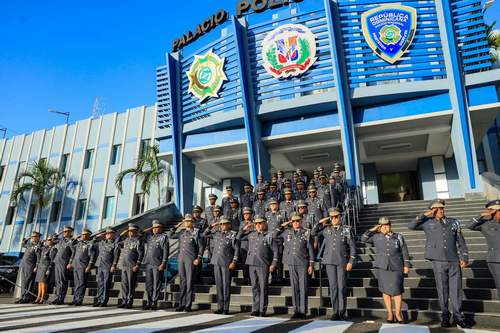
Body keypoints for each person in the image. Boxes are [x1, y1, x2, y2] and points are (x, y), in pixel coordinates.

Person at [408, 199, 469, 328]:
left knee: (456, 289)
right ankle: (445, 316)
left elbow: (461, 241)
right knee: (443, 290)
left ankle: (458, 317)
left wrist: (464, 256)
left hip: (454, 260)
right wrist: (425, 214)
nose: (440, 210)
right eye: (437, 209)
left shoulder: (453, 222)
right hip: (438, 260)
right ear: (432, 210)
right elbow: (411, 226)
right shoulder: (427, 223)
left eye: (442, 208)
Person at [363, 217, 411, 324]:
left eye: (387, 225)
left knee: (397, 290)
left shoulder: (398, 236)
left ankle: (398, 314)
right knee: (385, 291)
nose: (385, 227)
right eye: (382, 226)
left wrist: (406, 265)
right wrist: (372, 230)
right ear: (379, 227)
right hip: (382, 267)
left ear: (390, 225)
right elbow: (363, 239)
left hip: (396, 266)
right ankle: (390, 313)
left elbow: (404, 251)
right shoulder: (376, 237)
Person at [313, 208, 356, 320]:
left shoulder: (346, 230)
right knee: (333, 287)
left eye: (336, 217)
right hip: (329, 261)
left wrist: (351, 261)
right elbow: (313, 232)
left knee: (341, 286)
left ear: (340, 217)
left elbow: (352, 247)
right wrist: (322, 221)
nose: (334, 219)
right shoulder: (326, 229)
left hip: (341, 261)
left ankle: (342, 311)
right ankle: (335, 311)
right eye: (332, 217)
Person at [273, 212, 314, 319]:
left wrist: (311, 264)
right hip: (291, 262)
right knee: (294, 287)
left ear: (301, 221)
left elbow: (310, 249)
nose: (295, 223)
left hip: (303, 263)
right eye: (294, 221)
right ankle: (296, 310)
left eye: (297, 221)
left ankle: (303, 311)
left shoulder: (306, 233)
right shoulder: (287, 232)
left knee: (303, 287)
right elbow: (274, 235)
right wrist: (282, 225)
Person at [237, 215, 276, 317]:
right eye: (256, 223)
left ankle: (262, 309)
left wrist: (273, 264)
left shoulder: (269, 235)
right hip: (251, 263)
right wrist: (244, 228)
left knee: (263, 287)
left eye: (260, 223)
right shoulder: (251, 234)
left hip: (263, 263)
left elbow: (275, 251)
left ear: (264, 224)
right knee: (254, 287)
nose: (258, 225)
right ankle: (255, 308)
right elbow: (238, 238)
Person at [202, 217, 239, 315]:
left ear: (229, 225)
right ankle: (220, 307)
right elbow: (204, 234)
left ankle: (226, 308)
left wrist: (234, 261)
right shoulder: (216, 233)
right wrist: (211, 226)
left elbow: (236, 249)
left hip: (227, 262)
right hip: (216, 262)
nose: (223, 226)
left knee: (226, 285)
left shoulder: (232, 235)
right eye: (221, 224)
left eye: (225, 224)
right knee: (219, 286)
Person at [170, 214, 203, 312]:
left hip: (191, 259)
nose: (187, 223)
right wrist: (177, 226)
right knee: (182, 282)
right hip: (181, 259)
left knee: (189, 282)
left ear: (192, 222)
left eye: (189, 221)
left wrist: (198, 258)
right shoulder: (181, 232)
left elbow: (201, 247)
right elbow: (170, 235)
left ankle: (188, 304)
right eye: (185, 221)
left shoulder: (196, 232)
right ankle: (181, 303)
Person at [468, 199, 500, 299]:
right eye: (499, 211)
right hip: (496, 260)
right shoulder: (485, 224)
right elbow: (469, 225)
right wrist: (482, 215)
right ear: (493, 212)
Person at [114, 223, 144, 309]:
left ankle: (129, 302)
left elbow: (141, 254)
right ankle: (124, 301)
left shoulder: (138, 241)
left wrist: (137, 265)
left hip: (132, 266)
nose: (130, 233)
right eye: (129, 231)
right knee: (124, 284)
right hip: (124, 265)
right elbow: (117, 244)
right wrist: (120, 235)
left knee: (131, 284)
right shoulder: (126, 240)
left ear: (136, 231)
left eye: (132, 231)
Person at [141, 220, 169, 310]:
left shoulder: (163, 237)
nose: (154, 229)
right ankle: (149, 302)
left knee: (156, 284)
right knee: (148, 284)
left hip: (157, 263)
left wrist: (163, 263)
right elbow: (141, 233)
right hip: (148, 263)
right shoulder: (150, 237)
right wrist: (151, 228)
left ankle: (154, 302)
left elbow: (165, 251)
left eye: (156, 228)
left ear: (160, 228)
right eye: (153, 228)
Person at [68, 228, 96, 306]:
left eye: (84, 235)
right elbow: (71, 245)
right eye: (82, 234)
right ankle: (75, 299)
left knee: (81, 283)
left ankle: (79, 299)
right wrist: (76, 238)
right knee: (76, 283)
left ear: (88, 235)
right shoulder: (79, 243)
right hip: (76, 265)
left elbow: (92, 257)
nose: (83, 236)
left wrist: (89, 266)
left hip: (83, 266)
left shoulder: (90, 244)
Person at [92, 227, 118, 307]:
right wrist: (98, 236)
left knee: (106, 283)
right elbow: (92, 243)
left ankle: (104, 300)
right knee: (100, 283)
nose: (108, 235)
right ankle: (99, 299)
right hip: (100, 265)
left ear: (113, 234)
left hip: (108, 266)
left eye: (110, 233)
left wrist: (114, 265)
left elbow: (116, 256)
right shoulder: (101, 243)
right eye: (107, 234)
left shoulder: (114, 244)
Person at [51, 226, 74, 305]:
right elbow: (53, 239)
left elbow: (73, 252)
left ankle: (61, 298)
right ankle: (57, 297)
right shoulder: (61, 240)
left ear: (70, 232)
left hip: (64, 263)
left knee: (62, 281)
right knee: (57, 281)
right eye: (64, 232)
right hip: (57, 262)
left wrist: (70, 262)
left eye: (66, 231)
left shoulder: (71, 241)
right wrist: (59, 233)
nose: (65, 233)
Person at [17, 231, 42, 303]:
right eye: (32, 236)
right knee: (23, 282)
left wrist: (36, 267)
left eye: (35, 236)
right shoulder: (29, 244)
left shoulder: (38, 246)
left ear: (38, 238)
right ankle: (22, 296)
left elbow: (38, 258)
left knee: (29, 281)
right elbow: (22, 244)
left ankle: (27, 297)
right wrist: (28, 238)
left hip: (30, 266)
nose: (33, 238)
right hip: (24, 265)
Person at [265, 198, 285, 285]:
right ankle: (273, 277)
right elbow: (264, 227)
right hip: (269, 241)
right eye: (271, 204)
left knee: (279, 260)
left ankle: (279, 279)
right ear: (269, 206)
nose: (273, 206)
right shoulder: (266, 214)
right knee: (270, 259)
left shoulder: (282, 214)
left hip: (278, 240)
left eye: (275, 204)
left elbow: (284, 227)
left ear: (277, 205)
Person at [33, 235, 57, 304]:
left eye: (50, 240)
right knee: (39, 283)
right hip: (40, 266)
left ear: (52, 241)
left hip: (45, 267)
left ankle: (42, 298)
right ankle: (38, 297)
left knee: (43, 283)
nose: (48, 241)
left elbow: (52, 260)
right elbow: (38, 251)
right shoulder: (44, 248)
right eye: (47, 240)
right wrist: (40, 242)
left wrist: (49, 269)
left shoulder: (53, 249)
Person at [238, 207, 254, 285]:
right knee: (244, 263)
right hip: (244, 246)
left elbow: (253, 234)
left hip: (252, 246)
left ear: (251, 215)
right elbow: (239, 235)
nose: (246, 216)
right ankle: (245, 278)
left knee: (251, 263)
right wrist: (245, 229)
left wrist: (244, 234)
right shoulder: (242, 223)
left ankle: (251, 279)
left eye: (247, 214)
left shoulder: (254, 223)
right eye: (244, 214)